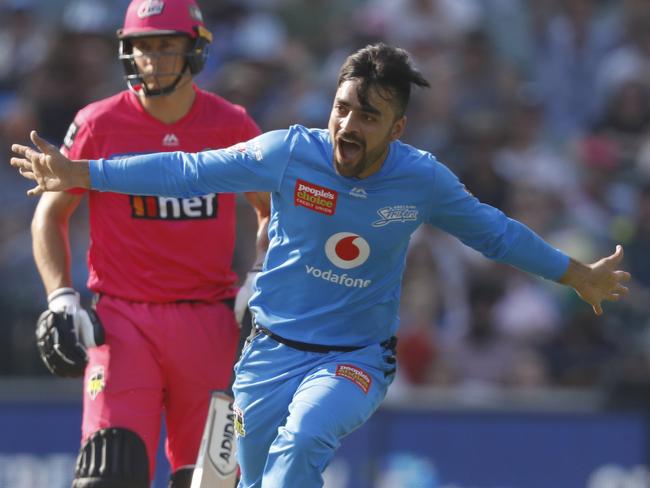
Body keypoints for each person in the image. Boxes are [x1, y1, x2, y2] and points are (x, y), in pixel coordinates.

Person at [12, 43, 630, 488]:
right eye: (342, 108)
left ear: (397, 126)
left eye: (367, 116)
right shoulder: (288, 154)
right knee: (248, 480)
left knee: (304, 440)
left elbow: (494, 233)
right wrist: (82, 173)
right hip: (267, 353)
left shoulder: (421, 179)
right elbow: (188, 169)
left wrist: (574, 273)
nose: (347, 125)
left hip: (352, 358)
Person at [22, 0, 269, 487]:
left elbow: (273, 208)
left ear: (194, 49)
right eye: (141, 47)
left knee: (212, 482)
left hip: (210, 326)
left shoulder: (231, 125)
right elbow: (49, 217)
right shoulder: (98, 123)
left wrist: (260, 277)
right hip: (122, 323)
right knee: (108, 473)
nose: (151, 59)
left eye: (165, 46)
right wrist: (60, 298)